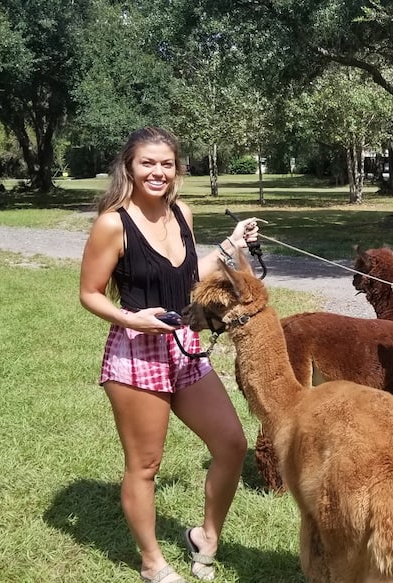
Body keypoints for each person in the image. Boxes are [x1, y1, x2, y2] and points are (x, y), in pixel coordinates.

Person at [79, 127, 260, 583]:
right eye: (147, 163)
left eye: (166, 164)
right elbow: (89, 293)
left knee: (231, 444)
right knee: (145, 465)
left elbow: (185, 275)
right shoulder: (112, 223)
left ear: (177, 168)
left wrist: (232, 245)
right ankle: (152, 563)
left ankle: (207, 536)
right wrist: (132, 318)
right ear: (129, 167)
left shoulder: (182, 213)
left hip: (184, 347)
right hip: (137, 351)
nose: (157, 172)